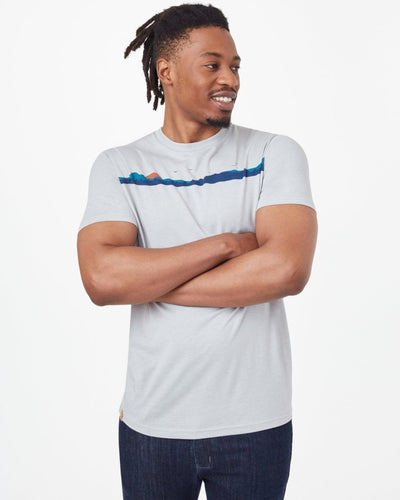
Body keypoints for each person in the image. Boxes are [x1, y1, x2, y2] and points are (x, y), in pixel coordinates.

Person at [77, 3, 318, 499]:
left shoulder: (273, 153)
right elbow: (102, 279)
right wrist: (227, 245)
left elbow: (286, 269)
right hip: (153, 423)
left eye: (235, 66)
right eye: (212, 65)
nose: (229, 78)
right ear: (166, 71)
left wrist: (151, 281)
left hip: (256, 424)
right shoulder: (119, 165)